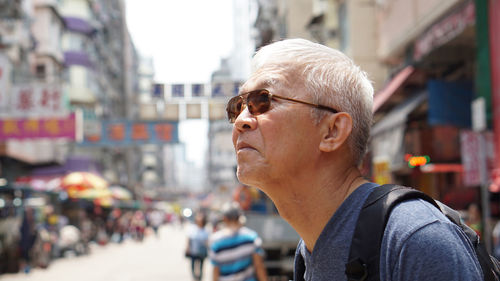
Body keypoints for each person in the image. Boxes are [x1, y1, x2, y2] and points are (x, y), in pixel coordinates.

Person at [227, 38, 482, 280]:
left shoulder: (414, 239)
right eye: (237, 107)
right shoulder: (308, 251)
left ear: (332, 131)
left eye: (263, 101)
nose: (240, 121)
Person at [209, 202, 268, 281]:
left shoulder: (215, 241)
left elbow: (215, 271)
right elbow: (259, 266)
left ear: (224, 218)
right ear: (239, 217)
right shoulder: (251, 237)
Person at [186, 211, 210, 281]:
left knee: (201, 265)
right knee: (193, 264)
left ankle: (200, 277)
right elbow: (189, 238)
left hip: (202, 250)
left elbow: (207, 240)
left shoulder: (206, 229)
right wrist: (187, 247)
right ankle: (194, 276)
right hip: (193, 249)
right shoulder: (192, 228)